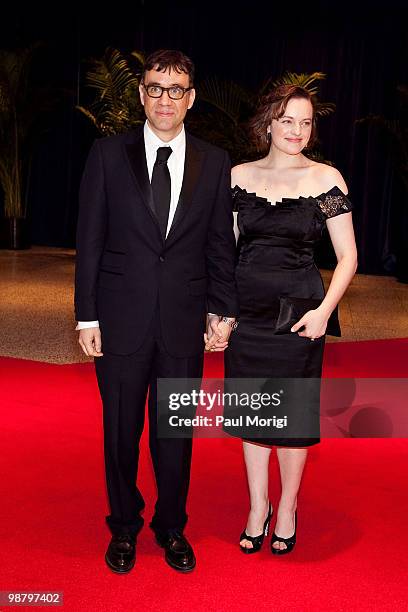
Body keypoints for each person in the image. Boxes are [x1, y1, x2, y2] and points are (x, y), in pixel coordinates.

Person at [75, 49, 238, 573]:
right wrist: (87, 316)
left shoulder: (214, 162)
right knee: (120, 431)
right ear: (142, 94)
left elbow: (219, 244)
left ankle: (171, 526)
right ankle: (123, 525)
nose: (165, 99)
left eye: (176, 90)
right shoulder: (105, 155)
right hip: (120, 321)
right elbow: (91, 240)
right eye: (154, 88)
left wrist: (222, 309)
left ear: (190, 99)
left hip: (182, 323)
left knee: (175, 435)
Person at [222, 84, 357, 554]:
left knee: (292, 417)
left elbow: (347, 256)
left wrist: (323, 313)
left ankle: (289, 506)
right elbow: (224, 252)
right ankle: (257, 505)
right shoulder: (237, 176)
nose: (296, 131)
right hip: (247, 315)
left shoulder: (327, 180)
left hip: (299, 314)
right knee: (252, 412)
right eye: (287, 120)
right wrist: (220, 312)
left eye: (305, 122)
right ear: (269, 123)